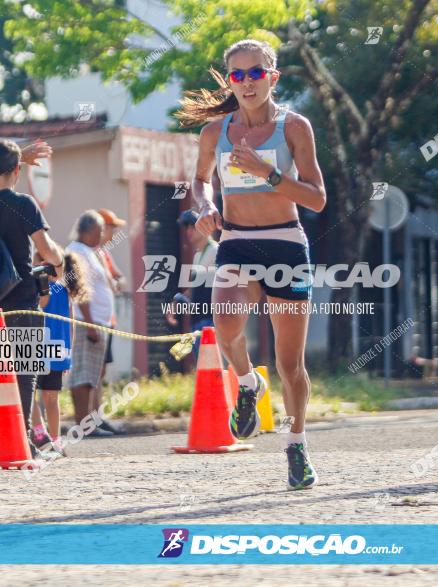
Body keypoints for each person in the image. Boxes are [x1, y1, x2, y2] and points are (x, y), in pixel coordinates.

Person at [176, 39, 327, 489]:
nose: (246, 82)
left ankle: (296, 445)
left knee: (290, 365)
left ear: (272, 77)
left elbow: (317, 199)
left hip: (285, 245)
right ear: (230, 82)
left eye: (255, 72)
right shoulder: (214, 133)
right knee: (224, 324)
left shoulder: (294, 127)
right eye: (237, 75)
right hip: (237, 242)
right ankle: (246, 384)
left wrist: (270, 174)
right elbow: (200, 183)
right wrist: (204, 209)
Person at [0, 139, 64, 453]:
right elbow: (45, 249)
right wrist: (58, 263)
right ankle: (20, 441)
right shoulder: (23, 204)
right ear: (18, 170)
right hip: (22, 297)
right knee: (24, 371)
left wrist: (17, 154)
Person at [31, 252, 90, 453]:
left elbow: (71, 323)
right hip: (42, 349)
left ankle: (52, 438)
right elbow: (45, 305)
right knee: (35, 394)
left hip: (54, 350)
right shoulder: (42, 290)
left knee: (50, 397)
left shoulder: (62, 290)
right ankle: (41, 433)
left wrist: (69, 353)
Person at [67, 211, 115, 436]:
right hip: (88, 322)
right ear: (88, 231)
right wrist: (89, 323)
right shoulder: (77, 252)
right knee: (83, 375)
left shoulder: (89, 251)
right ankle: (83, 424)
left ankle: (88, 423)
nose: (102, 234)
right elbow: (79, 289)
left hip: (95, 321)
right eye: (99, 230)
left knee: (91, 375)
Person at [165, 208, 218, 356]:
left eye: (193, 226)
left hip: (211, 322)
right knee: (202, 367)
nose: (189, 231)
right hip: (199, 321)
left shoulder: (215, 250)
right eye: (186, 227)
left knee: (211, 367)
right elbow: (194, 289)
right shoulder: (197, 256)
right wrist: (176, 302)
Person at [95, 208, 126, 435]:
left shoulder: (104, 253)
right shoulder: (90, 252)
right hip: (96, 320)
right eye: (112, 227)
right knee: (94, 371)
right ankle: (92, 418)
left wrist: (117, 282)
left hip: (107, 320)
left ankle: (97, 416)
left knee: (101, 371)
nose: (115, 232)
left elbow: (119, 277)